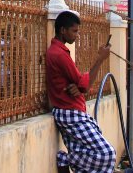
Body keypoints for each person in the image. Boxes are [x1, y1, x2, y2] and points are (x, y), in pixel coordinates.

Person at [45, 10, 115, 173]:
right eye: (74, 31)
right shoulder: (59, 54)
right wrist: (100, 59)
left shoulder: (59, 51)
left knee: (96, 163)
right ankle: (65, 159)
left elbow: (80, 84)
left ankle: (71, 161)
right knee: (107, 154)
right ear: (63, 30)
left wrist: (79, 86)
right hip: (70, 113)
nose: (77, 35)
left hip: (74, 110)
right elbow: (85, 84)